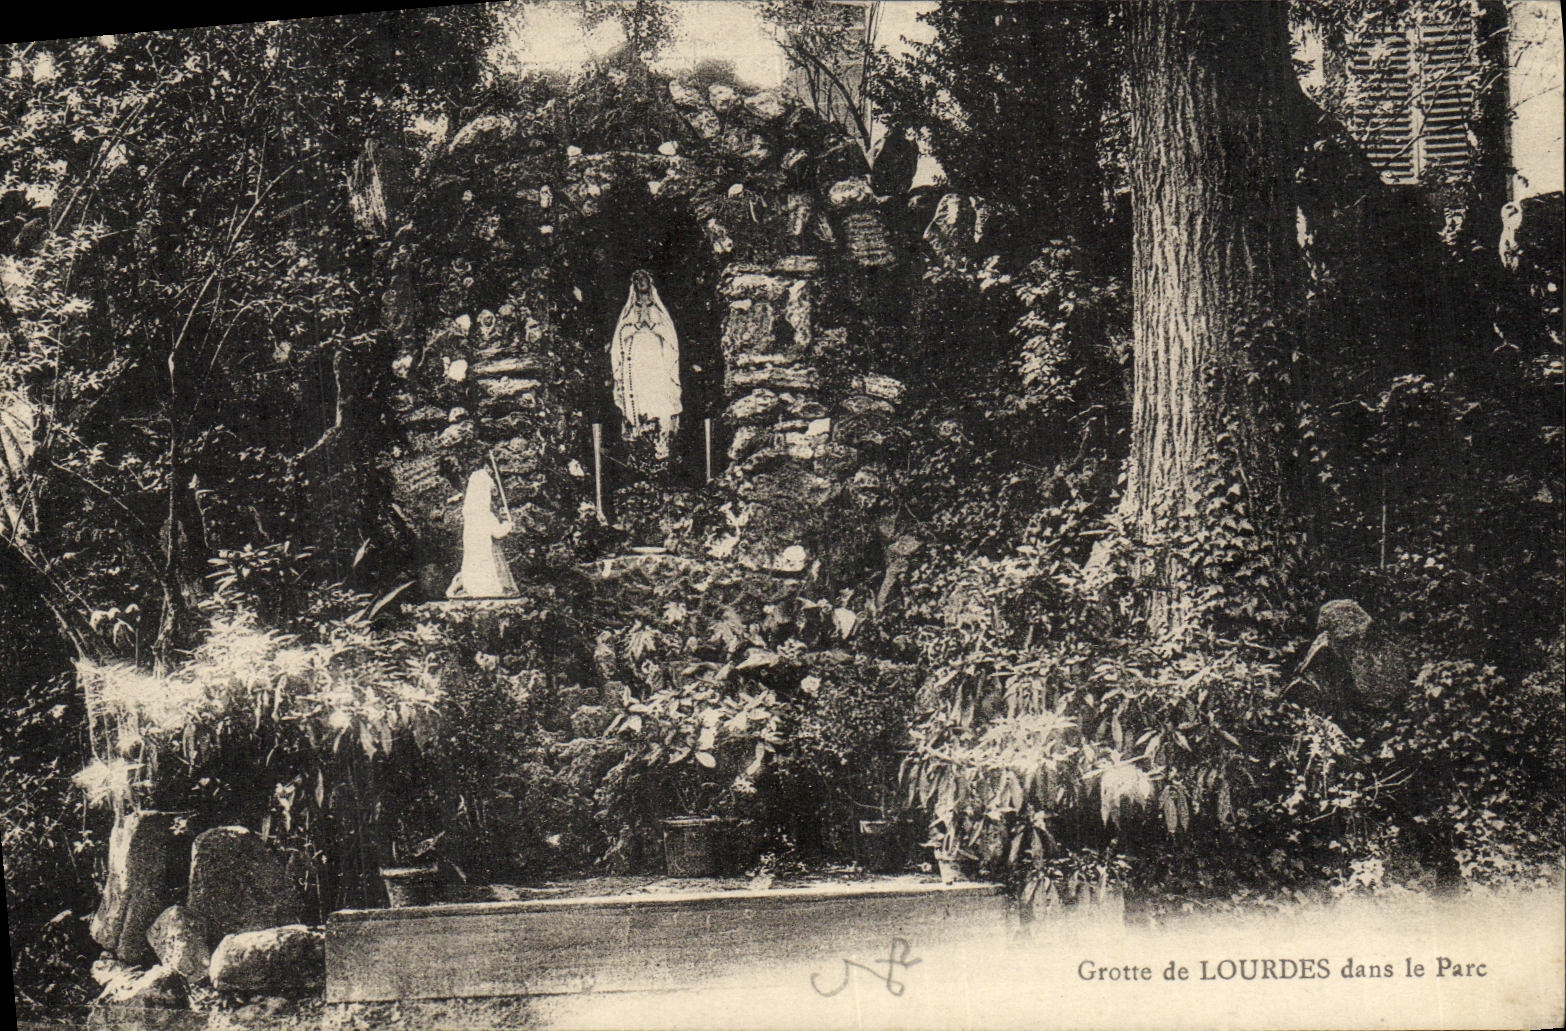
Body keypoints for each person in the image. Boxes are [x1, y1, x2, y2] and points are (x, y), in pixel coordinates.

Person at [610, 269, 681, 458]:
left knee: (657, 393)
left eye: (644, 280)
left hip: (655, 357)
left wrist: (652, 325)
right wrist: (634, 326)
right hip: (636, 359)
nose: (641, 283)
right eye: (637, 280)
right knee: (638, 395)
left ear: (650, 283)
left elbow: (670, 338)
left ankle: (660, 437)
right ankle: (639, 433)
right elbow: (620, 337)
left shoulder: (658, 310)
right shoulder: (629, 311)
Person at [446, 467, 517, 598]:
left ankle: (471, 587)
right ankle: (485, 589)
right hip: (484, 551)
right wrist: (508, 525)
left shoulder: (469, 515)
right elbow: (498, 532)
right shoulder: (485, 514)